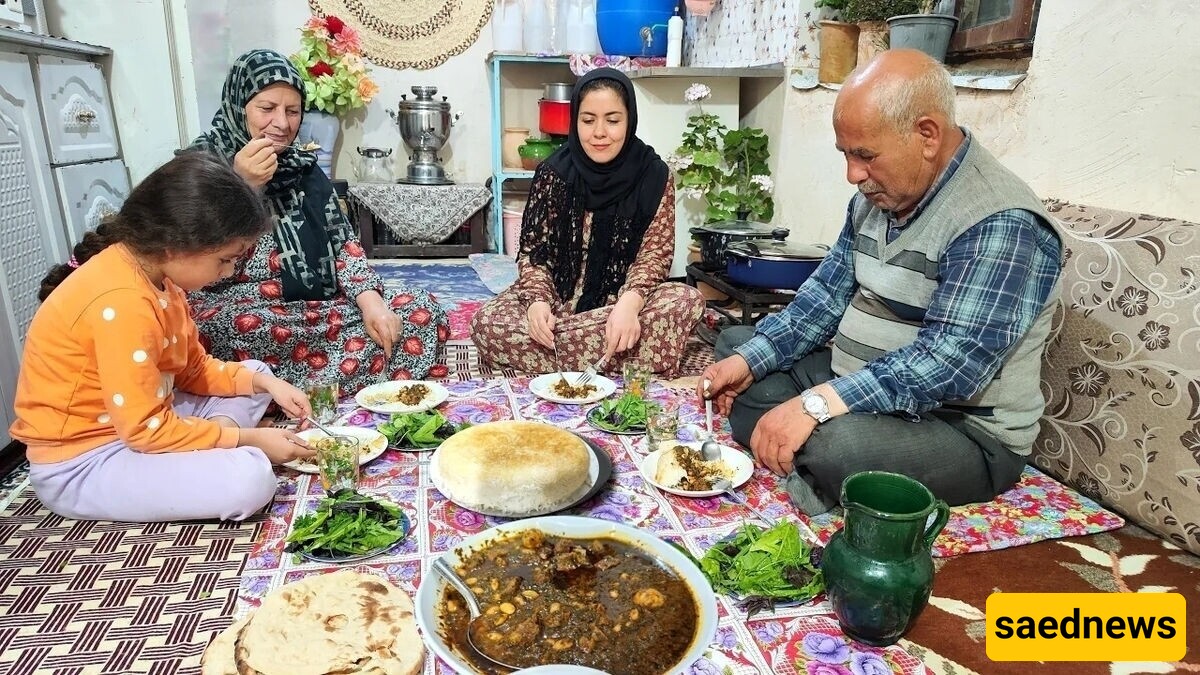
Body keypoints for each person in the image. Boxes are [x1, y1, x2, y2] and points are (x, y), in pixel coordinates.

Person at [701, 49, 1063, 514]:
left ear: (927, 135)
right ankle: (816, 473)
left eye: (865, 155)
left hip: (958, 427)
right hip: (854, 379)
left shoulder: (1000, 220)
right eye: (846, 154)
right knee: (737, 349)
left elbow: (948, 365)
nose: (853, 175)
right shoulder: (878, 197)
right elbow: (825, 297)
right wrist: (753, 360)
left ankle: (819, 470)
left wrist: (815, 408)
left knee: (836, 446)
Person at [10, 152, 317, 523]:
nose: (230, 270)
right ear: (176, 245)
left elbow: (192, 370)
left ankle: (205, 439)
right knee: (249, 478)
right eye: (224, 259)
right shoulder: (122, 302)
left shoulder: (160, 279)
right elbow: (143, 429)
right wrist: (250, 441)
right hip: (84, 463)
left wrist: (266, 382)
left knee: (254, 375)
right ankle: (212, 442)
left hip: (141, 422)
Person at [188, 49, 448, 394]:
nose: (282, 123)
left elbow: (343, 245)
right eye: (267, 108)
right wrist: (241, 185)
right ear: (239, 106)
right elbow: (188, 254)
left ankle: (283, 391)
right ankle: (292, 388)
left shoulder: (303, 168)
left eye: (292, 111)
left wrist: (373, 305)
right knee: (226, 329)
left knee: (419, 311)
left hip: (318, 308)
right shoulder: (199, 166)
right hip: (244, 310)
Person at [471, 67, 704, 376]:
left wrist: (630, 305)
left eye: (612, 120)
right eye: (588, 120)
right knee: (487, 322)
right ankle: (620, 354)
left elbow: (654, 254)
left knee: (686, 300)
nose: (599, 133)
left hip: (622, 299)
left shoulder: (654, 175)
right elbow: (534, 253)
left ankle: (566, 351)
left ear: (629, 120)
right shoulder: (553, 174)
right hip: (560, 296)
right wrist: (538, 303)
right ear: (574, 121)